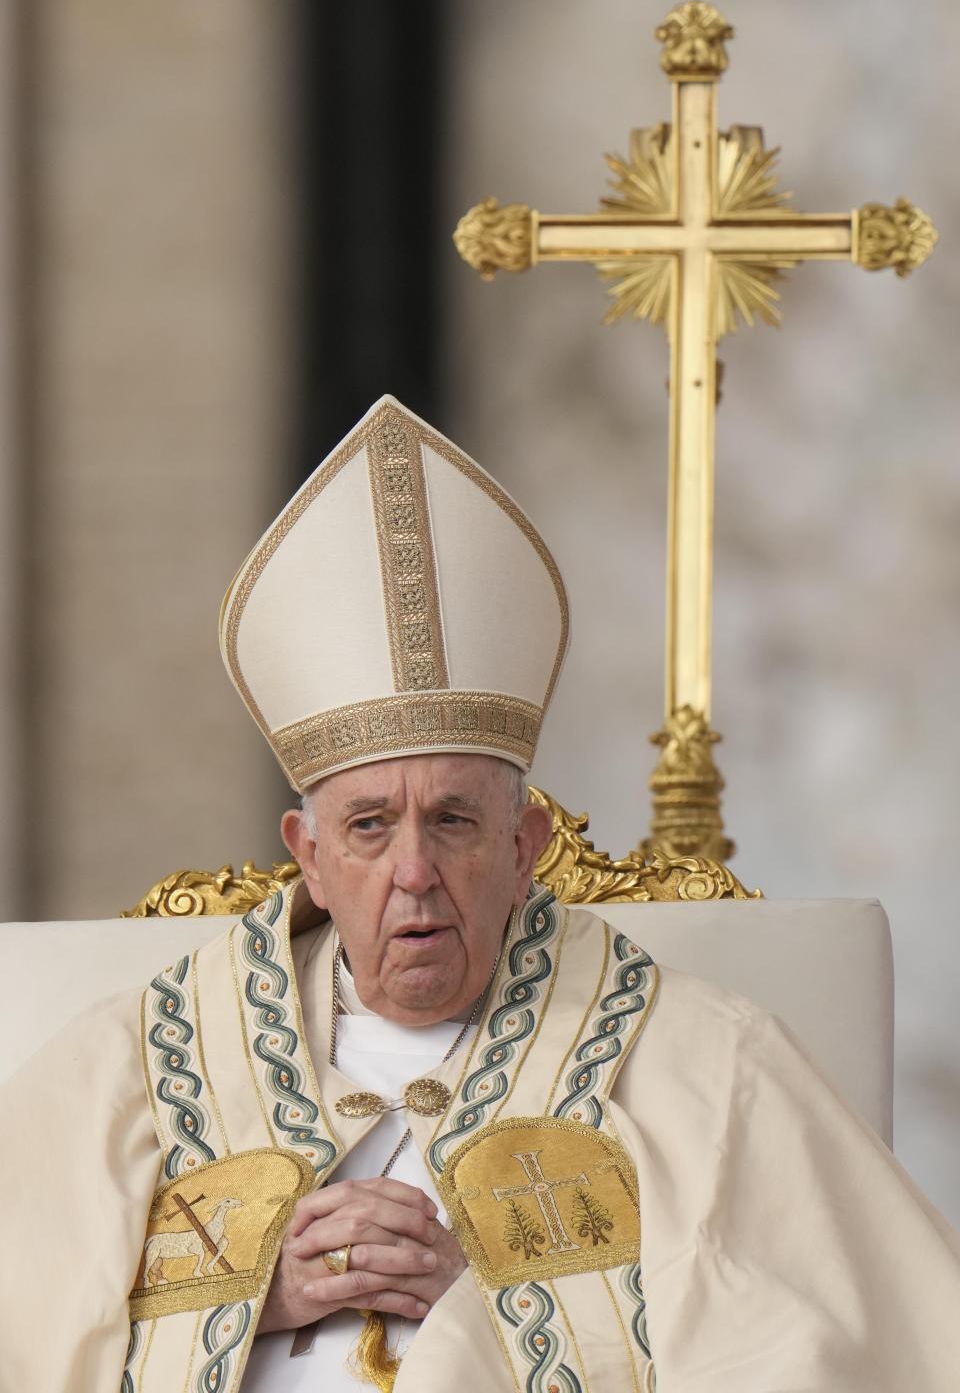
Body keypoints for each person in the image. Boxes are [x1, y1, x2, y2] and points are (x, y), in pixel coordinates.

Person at [3, 395, 960, 1393]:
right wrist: (241, 1296)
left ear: (525, 845)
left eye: (453, 822)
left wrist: (501, 1301)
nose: (413, 873)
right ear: (310, 857)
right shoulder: (142, 1067)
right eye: (369, 828)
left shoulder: (701, 1062)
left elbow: (817, 1346)